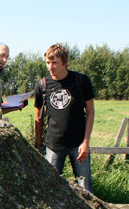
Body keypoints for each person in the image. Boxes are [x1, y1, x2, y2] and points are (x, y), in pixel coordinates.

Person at [34, 43, 95, 193]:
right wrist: (38, 142)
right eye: (48, 62)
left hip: (79, 145)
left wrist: (86, 142)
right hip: (54, 145)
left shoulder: (81, 81)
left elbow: (91, 111)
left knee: (86, 190)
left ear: (65, 62)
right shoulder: (42, 85)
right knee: (50, 190)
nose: (50, 67)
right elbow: (38, 116)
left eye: (55, 62)